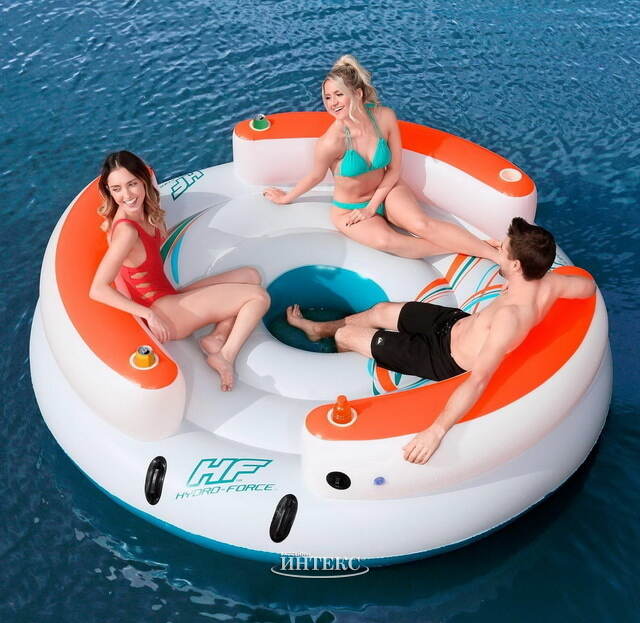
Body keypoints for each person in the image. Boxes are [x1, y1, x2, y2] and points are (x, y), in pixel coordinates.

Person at [286, 217, 596, 464]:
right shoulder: (550, 282)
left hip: (441, 358)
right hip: (454, 323)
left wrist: (436, 431)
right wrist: (518, 285)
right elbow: (588, 287)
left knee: (346, 335)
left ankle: (338, 348)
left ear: (516, 265)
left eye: (502, 249)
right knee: (380, 310)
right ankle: (319, 329)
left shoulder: (509, 319)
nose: (496, 249)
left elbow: (479, 380)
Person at [263, 54, 497, 261]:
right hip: (349, 208)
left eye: (338, 95)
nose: (332, 103)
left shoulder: (384, 118)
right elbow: (315, 176)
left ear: (357, 94)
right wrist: (286, 198)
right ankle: (475, 247)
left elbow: (394, 169)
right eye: (327, 97)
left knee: (420, 224)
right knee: (387, 241)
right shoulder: (330, 142)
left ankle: (496, 256)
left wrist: (373, 206)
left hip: (388, 190)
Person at [89, 150, 270, 392]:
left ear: (143, 181)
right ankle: (224, 356)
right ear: (109, 192)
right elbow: (97, 289)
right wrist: (149, 315)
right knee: (258, 297)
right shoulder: (127, 232)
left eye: (131, 184)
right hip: (164, 312)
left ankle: (217, 336)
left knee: (250, 275)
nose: (127, 195)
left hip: (168, 294)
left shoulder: (145, 212)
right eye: (117, 189)